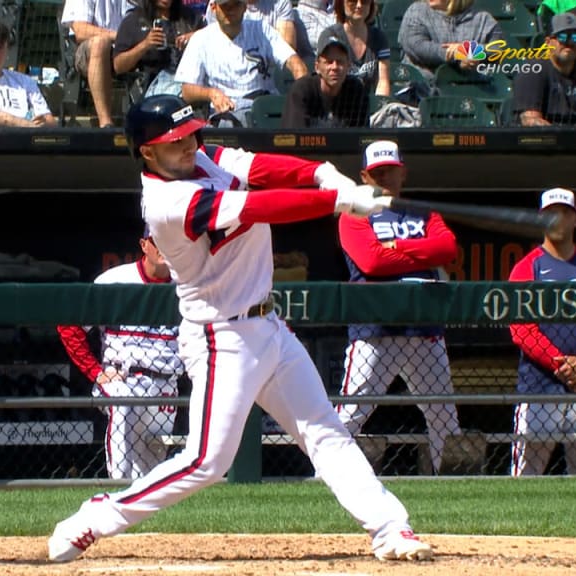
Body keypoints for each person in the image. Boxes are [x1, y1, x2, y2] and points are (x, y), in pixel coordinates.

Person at [47, 94, 432, 564]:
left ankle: (390, 527)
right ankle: (97, 516)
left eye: (192, 134)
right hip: (220, 338)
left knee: (325, 430)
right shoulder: (169, 202)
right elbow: (259, 206)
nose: (190, 145)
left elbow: (262, 168)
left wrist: (320, 173)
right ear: (147, 151)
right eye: (175, 141)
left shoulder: (201, 155)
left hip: (267, 325)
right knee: (207, 462)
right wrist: (340, 201)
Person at [333, 140, 462, 475]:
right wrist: (421, 250)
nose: (386, 177)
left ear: (403, 172)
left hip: (424, 328)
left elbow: (447, 247)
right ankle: (327, 478)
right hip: (376, 329)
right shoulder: (354, 213)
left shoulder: (424, 211)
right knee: (351, 413)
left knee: (442, 414)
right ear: (365, 176)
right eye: (378, 173)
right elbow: (371, 261)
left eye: (391, 170)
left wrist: (398, 246)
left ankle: (452, 485)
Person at [508, 187, 576, 477]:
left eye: (564, 214)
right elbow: (522, 330)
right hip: (540, 388)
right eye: (550, 215)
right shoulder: (526, 268)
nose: (557, 220)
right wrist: (563, 364)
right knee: (525, 479)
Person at [56, 228, 182, 480]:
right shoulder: (114, 280)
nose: (163, 248)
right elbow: (69, 325)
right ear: (144, 244)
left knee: (149, 473)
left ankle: (137, 503)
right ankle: (116, 485)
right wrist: (95, 372)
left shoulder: (186, 285)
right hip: (122, 377)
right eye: (156, 242)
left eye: (169, 241)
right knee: (122, 403)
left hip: (165, 385)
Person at [175, 0, 307, 127]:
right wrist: (211, 94)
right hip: (229, 112)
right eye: (225, 5)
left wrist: (303, 90)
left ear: (244, 7)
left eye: (236, 4)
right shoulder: (201, 39)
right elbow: (187, 91)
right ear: (214, 8)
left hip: (265, 108)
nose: (230, 10)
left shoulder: (262, 29)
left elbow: (294, 62)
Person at [513, 13, 576, 126]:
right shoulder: (533, 71)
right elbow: (530, 120)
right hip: (547, 139)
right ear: (548, 42)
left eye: (575, 37)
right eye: (562, 37)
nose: (570, 43)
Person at [398, 0, 504, 85]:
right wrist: (456, 54)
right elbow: (417, 47)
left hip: (469, 90)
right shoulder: (417, 11)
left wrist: (470, 51)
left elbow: (498, 49)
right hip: (425, 88)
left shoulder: (482, 19)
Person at [60, 0, 131, 127]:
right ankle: (105, 122)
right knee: (100, 43)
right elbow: (81, 31)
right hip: (87, 51)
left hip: (124, 50)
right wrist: (119, 36)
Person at [113, 0, 205, 98]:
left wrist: (196, 38)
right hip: (149, 90)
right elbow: (119, 66)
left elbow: (212, 43)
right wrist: (145, 45)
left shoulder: (190, 18)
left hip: (188, 84)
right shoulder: (133, 20)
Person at [281, 30, 370, 127]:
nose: (334, 67)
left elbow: (360, 137)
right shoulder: (302, 90)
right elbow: (295, 137)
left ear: (348, 66)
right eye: (329, 62)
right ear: (317, 67)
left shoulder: (356, 91)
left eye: (340, 62)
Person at [325, 0, 391, 95]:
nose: (359, 5)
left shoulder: (379, 38)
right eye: (352, 1)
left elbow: (383, 81)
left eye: (364, 1)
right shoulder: (331, 37)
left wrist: (380, 105)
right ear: (341, 3)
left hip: (367, 105)